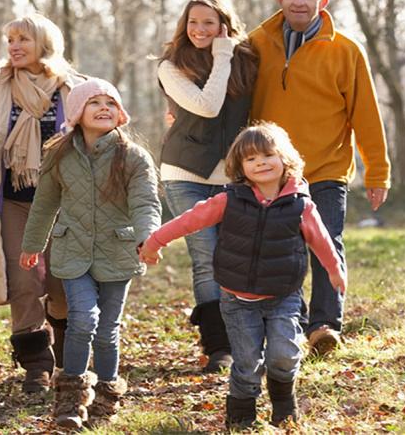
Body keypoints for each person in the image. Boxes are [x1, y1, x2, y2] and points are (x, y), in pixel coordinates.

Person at [140, 122, 346, 429]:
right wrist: (155, 241)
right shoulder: (229, 200)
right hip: (237, 297)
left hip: (283, 295)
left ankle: (283, 402)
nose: (261, 162)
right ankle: (241, 416)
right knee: (247, 362)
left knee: (283, 354)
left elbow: (322, 240)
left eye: (267, 155)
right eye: (251, 159)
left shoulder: (300, 205)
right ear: (240, 167)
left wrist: (334, 270)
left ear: (285, 159)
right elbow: (189, 221)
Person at [249, 0, 391, 355]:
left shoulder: (345, 51)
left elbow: (366, 114)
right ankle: (292, 320)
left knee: (326, 242)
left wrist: (377, 172)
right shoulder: (256, 45)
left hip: (326, 168)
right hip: (269, 171)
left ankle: (325, 326)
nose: (299, 1)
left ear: (322, 0)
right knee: (280, 251)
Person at [19, 78, 161, 429]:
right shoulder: (59, 154)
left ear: (120, 113)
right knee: (83, 319)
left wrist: (148, 238)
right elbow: (45, 203)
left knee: (107, 329)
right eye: (94, 102)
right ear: (77, 113)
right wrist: (33, 244)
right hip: (73, 251)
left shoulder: (133, 157)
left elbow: (145, 202)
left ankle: (106, 398)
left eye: (110, 103)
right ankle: (70, 400)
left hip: (117, 250)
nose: (103, 108)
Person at [0, 13, 85, 393]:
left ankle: (60, 335)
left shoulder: (76, 89)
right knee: (23, 280)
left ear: (44, 43)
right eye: (10, 39)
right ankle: (35, 364)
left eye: (23, 38)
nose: (14, 46)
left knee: (61, 282)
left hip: (64, 202)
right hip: (15, 201)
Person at [157, 0, 258, 372]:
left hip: (232, 176)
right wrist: (222, 56)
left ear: (224, 27)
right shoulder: (172, 66)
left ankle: (245, 336)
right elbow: (208, 106)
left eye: (209, 23)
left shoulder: (246, 61)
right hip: (185, 174)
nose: (199, 29)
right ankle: (219, 347)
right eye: (193, 22)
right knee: (206, 258)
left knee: (236, 257)